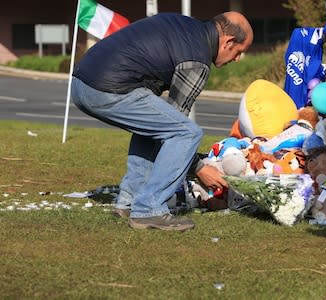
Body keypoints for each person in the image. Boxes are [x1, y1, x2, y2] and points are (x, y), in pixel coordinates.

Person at [71, 11, 253, 231]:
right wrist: (200, 168)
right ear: (229, 42)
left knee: (155, 127)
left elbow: (163, 127)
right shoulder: (196, 60)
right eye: (239, 52)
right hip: (104, 88)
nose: (236, 59)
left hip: (81, 82)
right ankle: (149, 210)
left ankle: (130, 202)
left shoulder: (183, 25)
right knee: (187, 133)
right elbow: (176, 129)